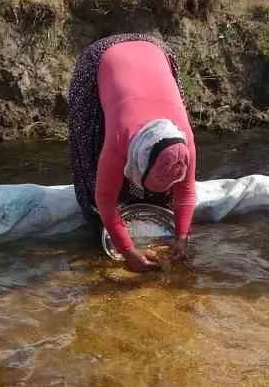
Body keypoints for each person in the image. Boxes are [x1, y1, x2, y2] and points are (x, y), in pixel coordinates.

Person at [68, 33, 197, 273]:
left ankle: (149, 205)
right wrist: (127, 251)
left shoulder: (184, 142)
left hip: (154, 51)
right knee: (90, 157)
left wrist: (182, 236)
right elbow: (105, 200)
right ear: (135, 160)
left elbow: (186, 193)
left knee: (163, 193)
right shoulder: (120, 139)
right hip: (104, 58)